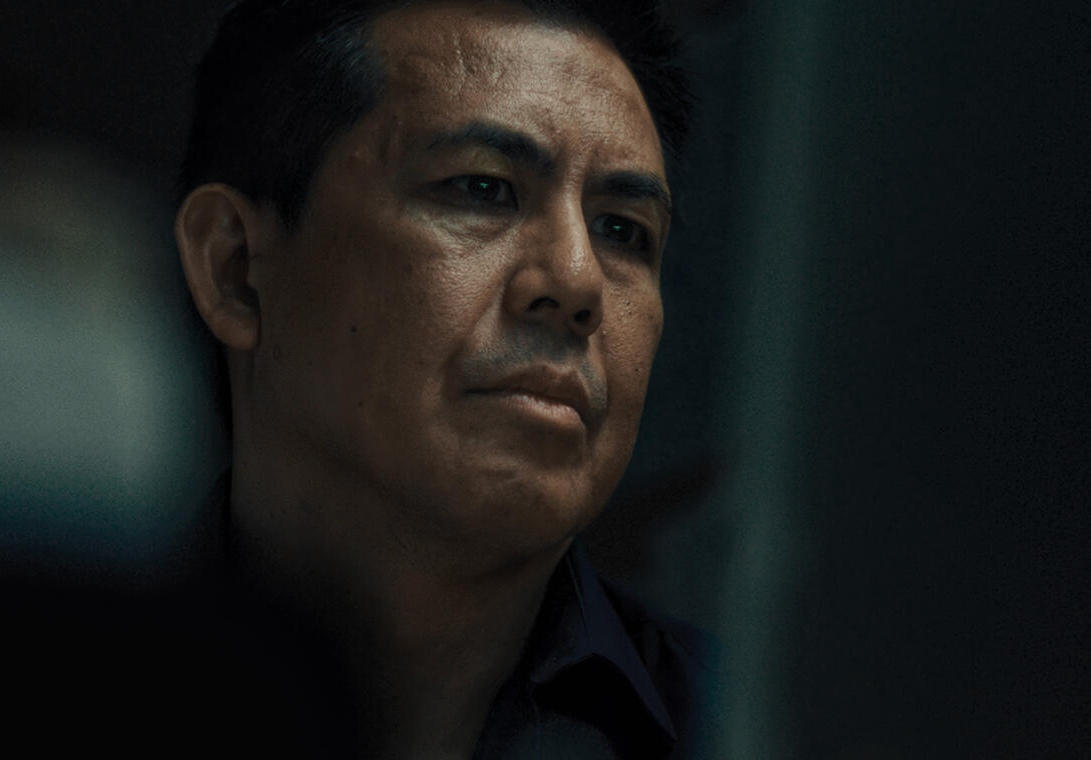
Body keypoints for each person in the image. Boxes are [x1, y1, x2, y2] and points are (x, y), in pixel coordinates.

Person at [169, 1, 710, 757]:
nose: (577, 280)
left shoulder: (760, 729)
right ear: (236, 270)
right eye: (482, 188)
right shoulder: (23, 686)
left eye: (624, 230)